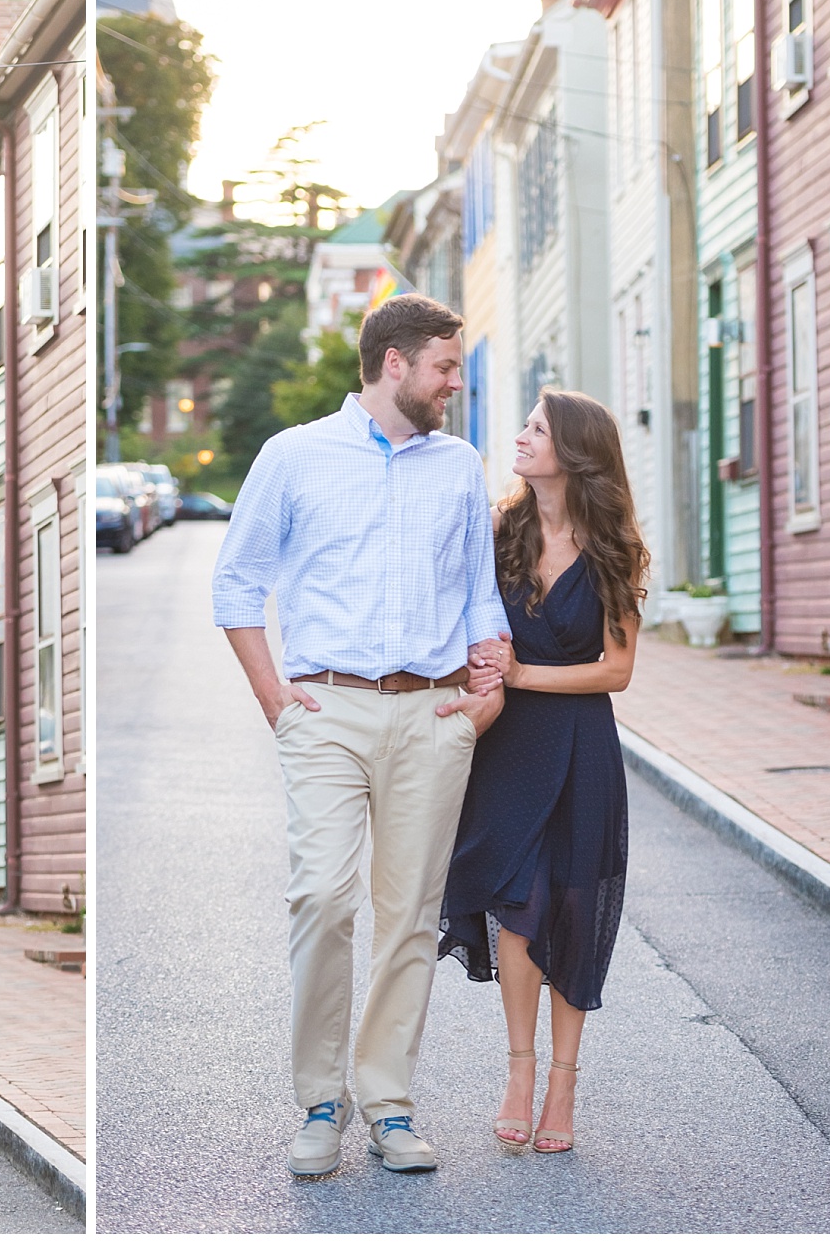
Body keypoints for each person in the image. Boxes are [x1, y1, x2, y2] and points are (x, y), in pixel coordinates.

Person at [212, 293, 508, 1177]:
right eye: (446, 367)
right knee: (323, 898)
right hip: (326, 709)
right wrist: (276, 700)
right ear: (395, 364)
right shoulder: (295, 456)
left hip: (433, 712)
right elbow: (237, 585)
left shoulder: (459, 465)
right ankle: (319, 1101)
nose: (457, 383)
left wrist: (485, 694)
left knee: (411, 914)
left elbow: (479, 595)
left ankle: (388, 1101)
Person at [438, 388, 650, 1156]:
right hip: (510, 748)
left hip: (582, 745)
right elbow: (465, 621)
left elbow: (617, 669)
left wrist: (523, 673)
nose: (521, 437)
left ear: (574, 451)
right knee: (517, 907)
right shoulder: (501, 533)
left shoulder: (615, 545)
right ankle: (520, 1072)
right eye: (525, 425)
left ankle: (565, 1079)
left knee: (569, 905)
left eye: (536, 428)